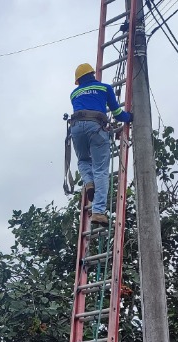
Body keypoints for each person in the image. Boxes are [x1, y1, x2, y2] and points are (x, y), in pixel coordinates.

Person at [69, 62, 133, 226]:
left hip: (76, 128)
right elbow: (117, 113)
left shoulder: (74, 93)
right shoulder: (104, 88)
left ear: (79, 80)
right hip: (96, 127)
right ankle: (98, 212)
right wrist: (130, 117)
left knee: (83, 160)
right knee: (100, 170)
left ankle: (88, 182)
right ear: (93, 74)